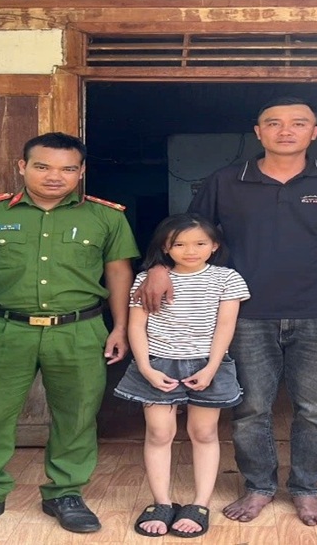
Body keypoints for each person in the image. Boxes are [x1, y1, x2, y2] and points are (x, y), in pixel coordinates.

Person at [139, 97, 317, 526]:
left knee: (316, 410)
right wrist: (157, 265)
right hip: (245, 315)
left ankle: (306, 490)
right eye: (274, 123)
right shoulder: (226, 180)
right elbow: (187, 234)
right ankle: (259, 487)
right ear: (258, 131)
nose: (286, 130)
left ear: (314, 132)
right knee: (250, 408)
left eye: (298, 123)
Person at [0, 132, 139, 539]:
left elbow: (119, 273)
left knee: (77, 415)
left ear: (81, 171)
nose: (54, 176)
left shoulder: (106, 217)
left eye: (68, 168)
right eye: (42, 166)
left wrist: (119, 328)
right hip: (0, 329)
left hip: (78, 330)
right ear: (22, 166)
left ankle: (65, 492)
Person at [116, 213, 249, 538]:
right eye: (179, 244)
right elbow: (137, 326)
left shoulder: (226, 279)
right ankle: (161, 502)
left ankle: (200, 503)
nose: (190, 251)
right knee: (159, 433)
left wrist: (212, 367)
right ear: (165, 247)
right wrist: (146, 367)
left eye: (200, 243)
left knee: (204, 432)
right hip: (159, 362)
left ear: (214, 246)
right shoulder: (146, 279)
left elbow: (226, 326)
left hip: (207, 363)